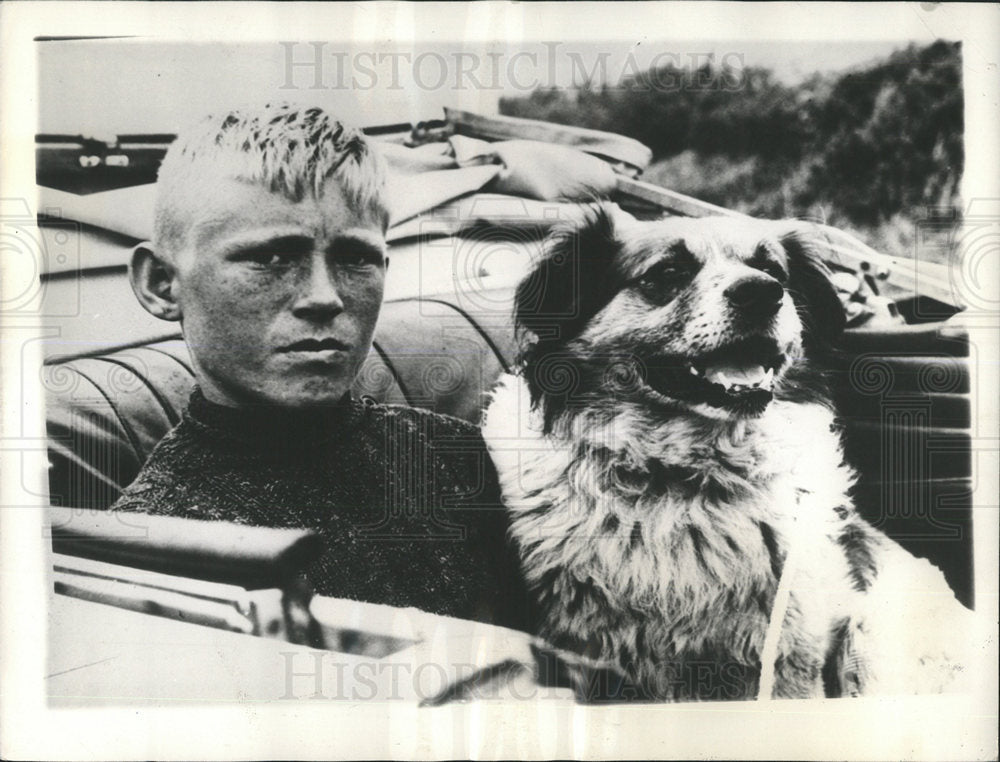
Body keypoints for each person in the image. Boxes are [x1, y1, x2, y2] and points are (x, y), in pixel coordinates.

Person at [114, 103, 528, 629]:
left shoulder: (457, 455)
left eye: (355, 258)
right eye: (271, 258)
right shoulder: (157, 545)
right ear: (161, 283)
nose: (324, 296)